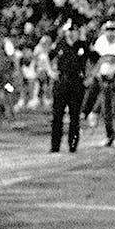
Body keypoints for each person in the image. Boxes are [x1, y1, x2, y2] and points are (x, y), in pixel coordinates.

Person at [48, 20, 91, 153]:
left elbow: (95, 60)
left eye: (74, 30)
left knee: (74, 116)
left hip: (76, 82)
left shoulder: (83, 45)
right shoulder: (60, 45)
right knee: (57, 115)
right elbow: (48, 57)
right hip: (62, 81)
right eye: (69, 30)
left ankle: (73, 145)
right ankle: (55, 146)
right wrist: (51, 72)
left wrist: (89, 77)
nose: (71, 33)